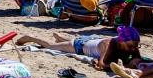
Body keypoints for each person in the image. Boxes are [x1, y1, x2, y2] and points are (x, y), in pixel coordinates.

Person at [10, 26, 143, 75]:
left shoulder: (130, 44)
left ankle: (60, 38)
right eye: (131, 46)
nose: (133, 49)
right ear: (121, 41)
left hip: (92, 40)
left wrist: (135, 62)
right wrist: (121, 67)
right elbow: (101, 64)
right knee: (50, 46)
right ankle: (32, 38)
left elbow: (137, 60)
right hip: (79, 46)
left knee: (67, 42)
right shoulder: (109, 44)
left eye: (136, 46)